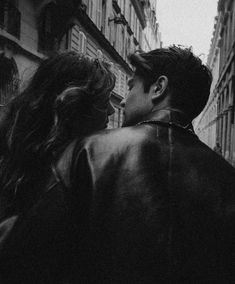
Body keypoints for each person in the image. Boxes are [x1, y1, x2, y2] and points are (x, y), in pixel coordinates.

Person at [58, 46, 234, 283]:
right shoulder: (227, 177)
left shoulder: (89, 151)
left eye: (131, 86)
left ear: (158, 88)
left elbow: (29, 250)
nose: (122, 102)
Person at [0, 51, 115, 283]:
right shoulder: (73, 171)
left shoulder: (20, 152)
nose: (112, 111)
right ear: (76, 107)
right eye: (105, 102)